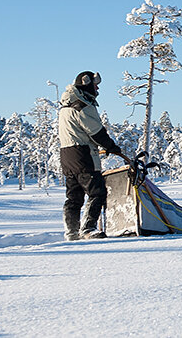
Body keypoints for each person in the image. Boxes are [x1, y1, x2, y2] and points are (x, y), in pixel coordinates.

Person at [58, 71, 129, 240]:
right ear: (87, 85)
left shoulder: (66, 107)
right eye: (95, 85)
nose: (97, 88)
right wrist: (112, 147)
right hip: (83, 155)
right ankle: (88, 229)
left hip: (67, 156)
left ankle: (71, 232)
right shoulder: (82, 105)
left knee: (73, 197)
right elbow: (96, 132)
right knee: (97, 192)